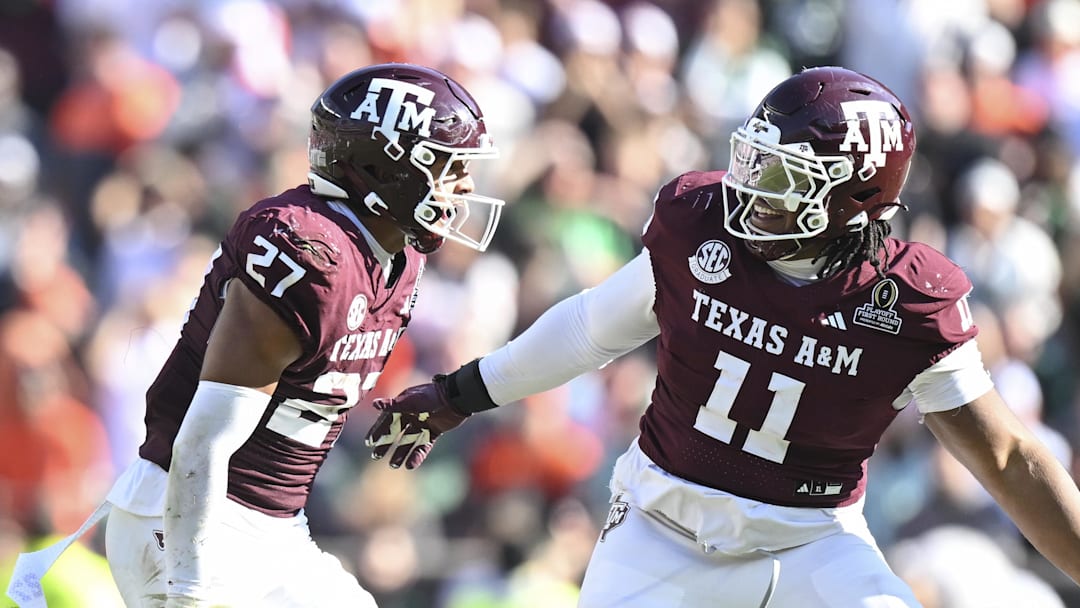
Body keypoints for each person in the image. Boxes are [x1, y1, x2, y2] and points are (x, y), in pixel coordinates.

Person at [365, 66, 1080, 607]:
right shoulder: (700, 228)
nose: (751, 190)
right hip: (660, 531)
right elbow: (591, 329)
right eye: (753, 161)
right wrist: (463, 391)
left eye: (783, 176)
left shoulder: (906, 303)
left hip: (810, 541)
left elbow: (1010, 456)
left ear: (858, 198)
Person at [7, 62, 505, 608]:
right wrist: (190, 591)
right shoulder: (309, 253)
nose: (467, 184)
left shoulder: (398, 260)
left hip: (273, 526)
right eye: (450, 164)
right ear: (388, 166)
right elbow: (205, 438)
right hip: (188, 517)